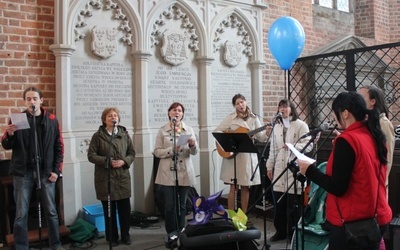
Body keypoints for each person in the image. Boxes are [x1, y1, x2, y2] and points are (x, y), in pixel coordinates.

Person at [298, 91, 392, 250]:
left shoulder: (348, 141)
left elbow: (338, 187)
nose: (335, 119)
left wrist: (309, 171)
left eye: (336, 115)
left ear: (345, 113)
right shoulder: (373, 135)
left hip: (352, 222)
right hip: (377, 216)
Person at [1, 86, 65, 250]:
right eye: (28, 99)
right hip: (23, 173)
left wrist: (56, 171)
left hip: (45, 172)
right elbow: (7, 145)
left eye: (35, 98)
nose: (32, 101)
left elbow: (59, 147)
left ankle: (55, 245)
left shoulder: (51, 120)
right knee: (21, 213)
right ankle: (22, 246)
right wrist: (9, 134)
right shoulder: (17, 119)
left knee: (51, 211)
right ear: (25, 101)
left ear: (41, 100)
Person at [266, 99, 312, 242]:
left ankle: (294, 233)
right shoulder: (277, 127)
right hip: (280, 168)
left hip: (294, 168)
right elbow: (272, 148)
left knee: (293, 203)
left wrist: (293, 146)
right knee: (279, 203)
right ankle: (280, 231)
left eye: (285, 107)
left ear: (291, 109)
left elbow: (308, 145)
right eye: (280, 107)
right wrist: (269, 166)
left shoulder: (300, 125)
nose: (283, 109)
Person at [87, 107, 135, 246]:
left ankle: (126, 235)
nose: (113, 117)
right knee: (109, 210)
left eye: (115, 115)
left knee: (125, 210)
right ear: (104, 119)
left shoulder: (124, 134)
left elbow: (132, 153)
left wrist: (124, 161)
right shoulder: (98, 136)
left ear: (118, 119)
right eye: (109, 116)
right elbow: (91, 155)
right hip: (105, 177)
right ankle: (112, 237)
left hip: (122, 177)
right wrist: (106, 161)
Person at [214, 94, 267, 214]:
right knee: (233, 186)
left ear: (246, 102)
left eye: (242, 102)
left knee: (245, 186)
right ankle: (231, 214)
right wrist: (231, 136)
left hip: (247, 156)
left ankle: (243, 215)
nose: (240, 105)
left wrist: (266, 132)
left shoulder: (254, 118)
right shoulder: (230, 118)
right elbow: (218, 131)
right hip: (233, 156)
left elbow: (261, 137)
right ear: (234, 106)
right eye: (237, 103)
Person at [153, 102, 198, 237]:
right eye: (174, 110)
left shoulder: (189, 129)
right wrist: (171, 150)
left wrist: (192, 145)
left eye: (179, 110)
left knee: (183, 205)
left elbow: (194, 152)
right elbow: (157, 152)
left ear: (182, 114)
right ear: (169, 113)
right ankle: (171, 232)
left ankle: (181, 231)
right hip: (168, 172)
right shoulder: (162, 130)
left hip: (184, 171)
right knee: (170, 205)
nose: (176, 112)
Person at [358, 85, 395, 198]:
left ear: (373, 101)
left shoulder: (383, 123)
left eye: (361, 98)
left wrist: (381, 181)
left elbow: (387, 155)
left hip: (377, 183)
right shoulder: (363, 122)